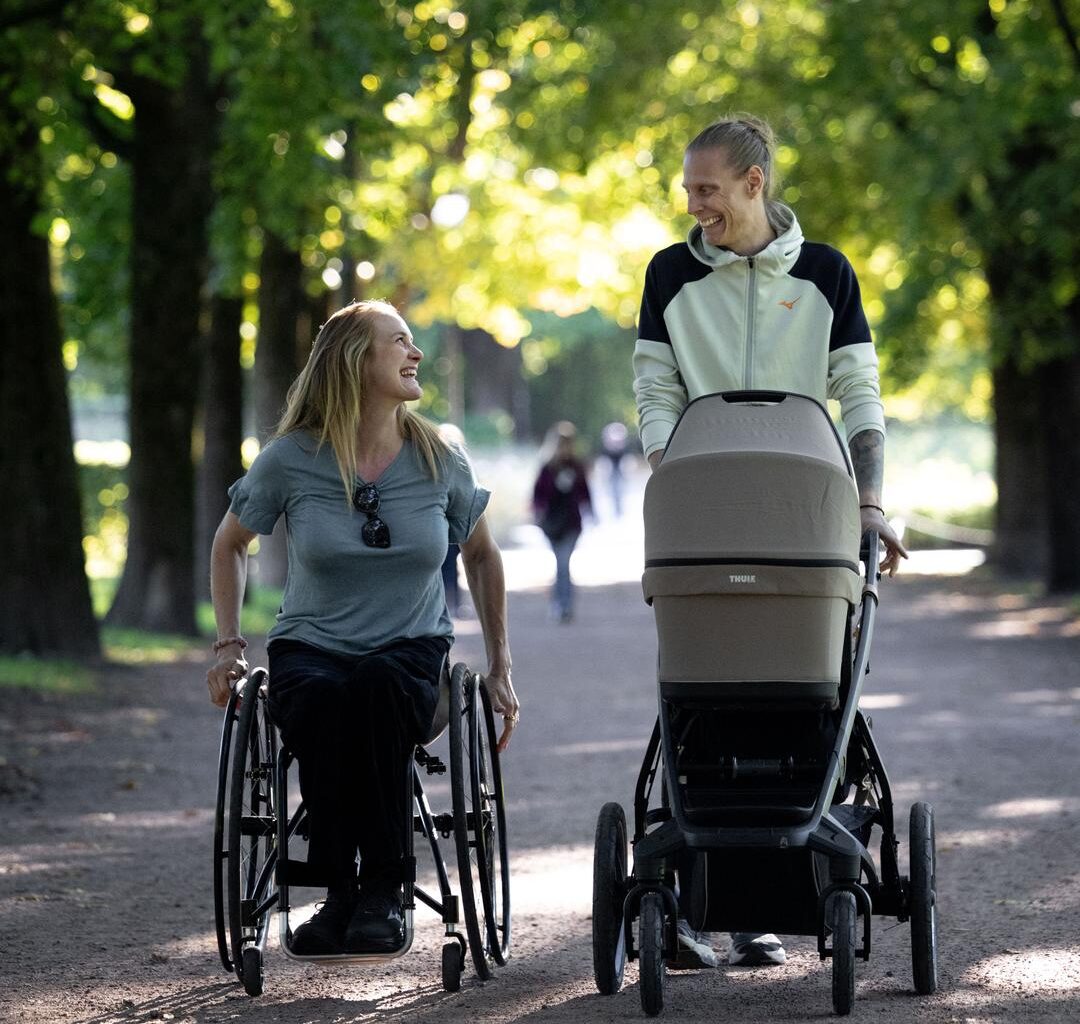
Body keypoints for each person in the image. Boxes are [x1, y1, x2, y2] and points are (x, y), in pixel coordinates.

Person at [632, 115, 908, 969]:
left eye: (707, 189)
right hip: (705, 509)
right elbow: (656, 388)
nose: (693, 205)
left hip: (806, 515)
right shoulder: (672, 275)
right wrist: (669, 476)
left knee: (803, 693)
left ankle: (764, 903)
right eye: (688, 190)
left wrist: (870, 502)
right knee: (705, 693)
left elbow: (857, 391)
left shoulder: (826, 274)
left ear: (755, 183)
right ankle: (694, 898)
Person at [206, 300, 519, 957]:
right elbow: (229, 543)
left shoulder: (438, 456)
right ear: (355, 361)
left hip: (409, 650)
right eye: (399, 342)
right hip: (309, 645)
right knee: (321, 698)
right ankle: (338, 892)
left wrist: (500, 668)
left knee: (375, 688)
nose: (417, 354)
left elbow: (483, 556)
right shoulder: (292, 458)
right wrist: (229, 644)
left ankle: (381, 889)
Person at [532, 421, 593, 623]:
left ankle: (565, 605)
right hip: (552, 525)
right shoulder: (547, 468)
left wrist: (591, 511)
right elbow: (538, 494)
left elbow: (585, 492)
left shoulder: (577, 465)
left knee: (564, 564)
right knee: (560, 564)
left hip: (572, 524)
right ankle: (559, 603)